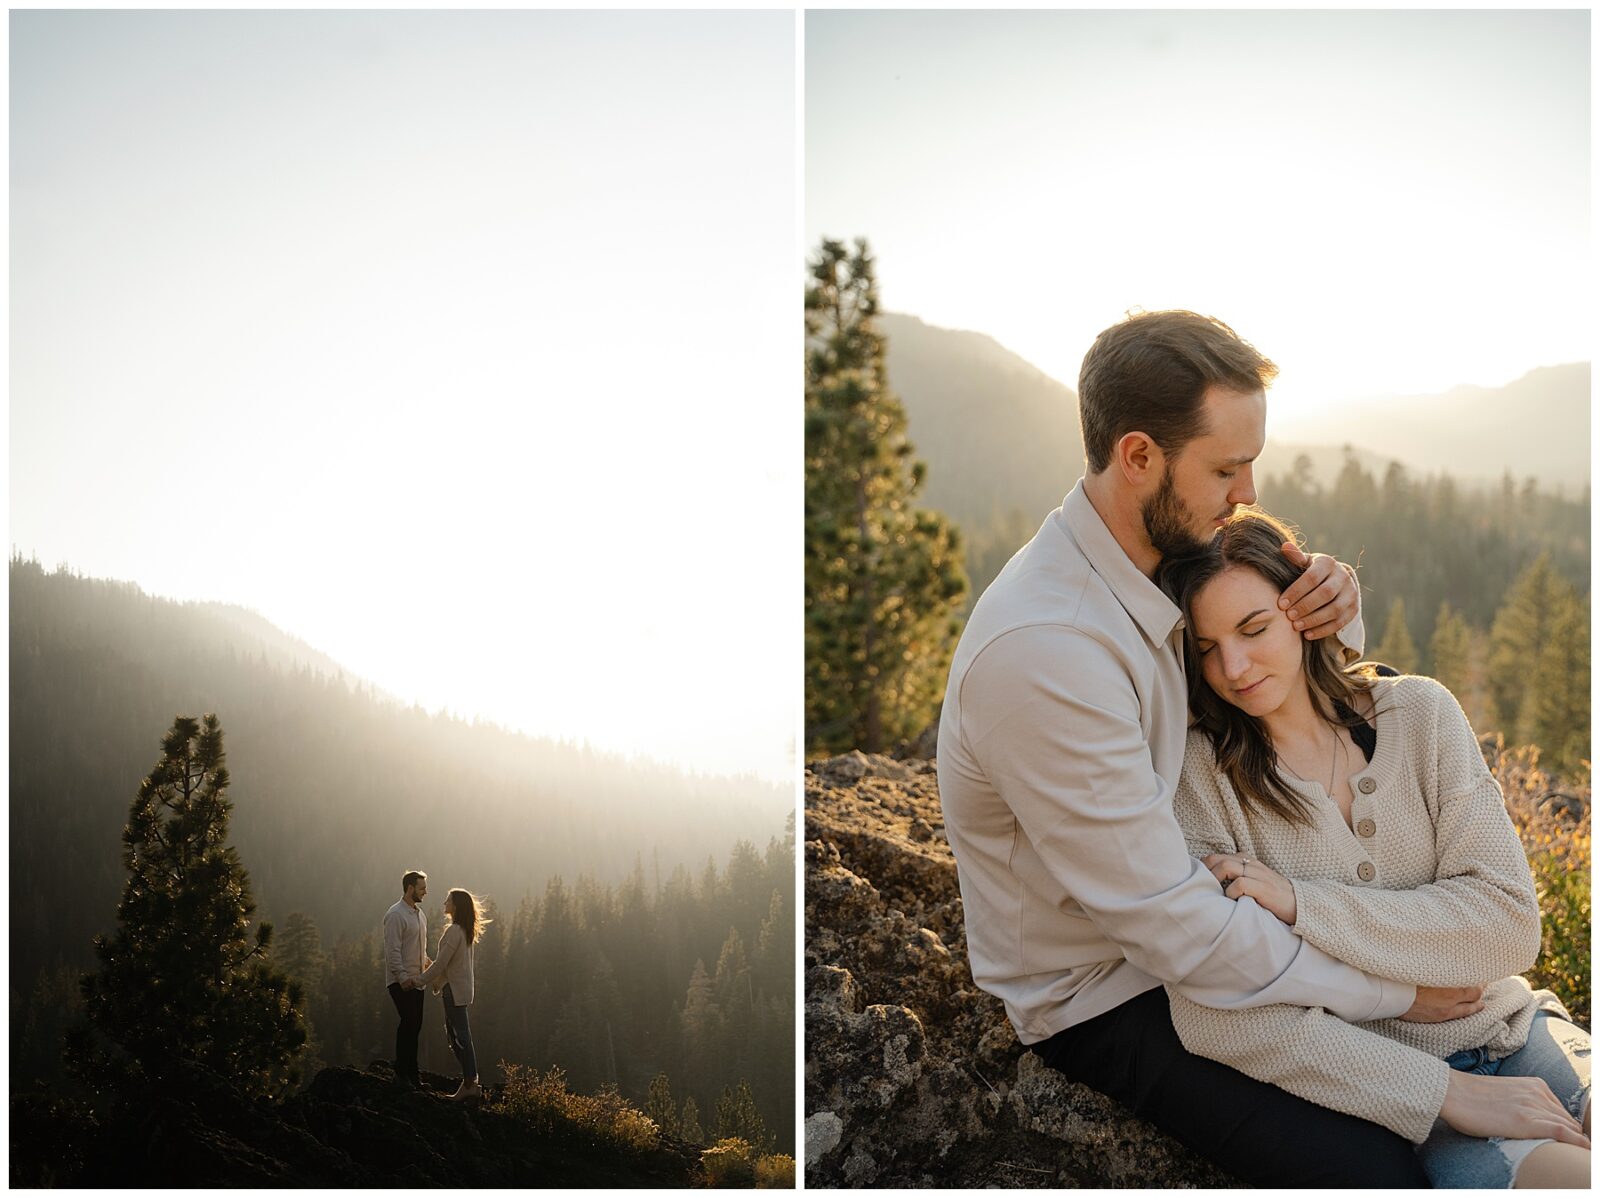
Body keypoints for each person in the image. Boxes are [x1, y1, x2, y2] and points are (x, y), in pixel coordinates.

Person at [937, 310, 1480, 1188]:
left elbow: (1264, 665)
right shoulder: (1047, 652)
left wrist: (1328, 609)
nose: (1246, 491)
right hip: (1114, 990)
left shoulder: (1154, 545)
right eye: (1226, 468)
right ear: (1140, 456)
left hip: (1228, 918)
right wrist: (1396, 1002)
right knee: (1374, 1168)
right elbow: (1171, 928)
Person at [1157, 506, 1590, 1188]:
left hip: (1514, 1029)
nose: (1233, 666)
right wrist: (1439, 1087)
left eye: (1253, 628)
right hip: (1407, 1102)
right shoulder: (1199, 781)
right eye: (1207, 648)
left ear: (1303, 613)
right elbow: (1218, 1019)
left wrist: (1303, 905)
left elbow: (1509, 925)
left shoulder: (1419, 714)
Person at [418, 888, 491, 1101]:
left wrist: (420, 980)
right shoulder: (465, 931)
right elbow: (451, 966)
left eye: (448, 900)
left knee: (460, 1037)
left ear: (455, 905)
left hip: (454, 992)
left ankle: (470, 1082)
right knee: (457, 1036)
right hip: (459, 990)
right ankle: (471, 1083)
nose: (444, 903)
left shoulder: (454, 931)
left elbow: (442, 964)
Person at [383, 869, 431, 1089]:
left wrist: (428, 962)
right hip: (400, 981)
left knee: (416, 1026)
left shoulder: (420, 915)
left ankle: (412, 1074)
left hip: (417, 981)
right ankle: (401, 1073)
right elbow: (392, 951)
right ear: (410, 888)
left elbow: (417, 948)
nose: (425, 891)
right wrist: (401, 977)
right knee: (409, 1022)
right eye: (422, 888)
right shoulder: (395, 915)